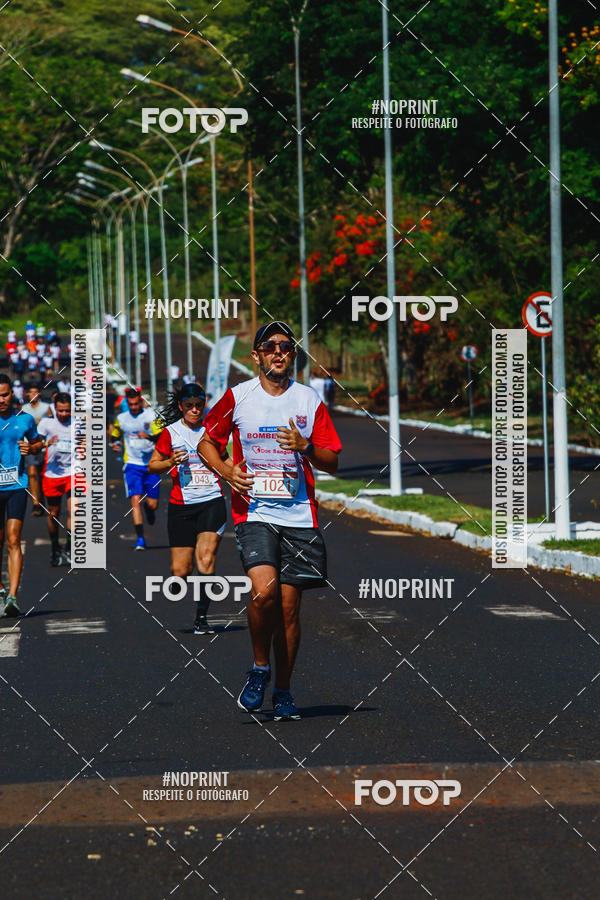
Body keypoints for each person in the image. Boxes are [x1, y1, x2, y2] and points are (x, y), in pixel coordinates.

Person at [199, 321, 342, 721]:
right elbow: (206, 440)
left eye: (286, 346)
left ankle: (283, 691)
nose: (279, 352)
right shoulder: (238, 397)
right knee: (265, 594)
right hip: (255, 512)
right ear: (256, 355)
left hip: (300, 514)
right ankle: (260, 668)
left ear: (293, 355)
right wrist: (227, 471)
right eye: (270, 346)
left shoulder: (309, 400)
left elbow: (333, 460)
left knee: (291, 609)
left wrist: (306, 446)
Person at [149, 383, 228, 634]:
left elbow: (226, 459)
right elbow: (153, 465)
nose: (195, 410)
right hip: (181, 507)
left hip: (212, 501)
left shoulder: (213, 431)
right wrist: (170, 461)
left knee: (206, 558)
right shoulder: (170, 433)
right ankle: (179, 579)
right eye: (189, 406)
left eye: (199, 405)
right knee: (181, 570)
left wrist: (233, 469)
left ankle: (201, 617)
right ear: (181, 407)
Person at [0, 375, 42, 616]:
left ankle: (13, 597)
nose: (1, 399)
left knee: (13, 539)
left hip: (16, 485)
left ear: (12, 394)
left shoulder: (24, 420)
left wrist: (32, 447)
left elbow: (37, 443)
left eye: (5, 394)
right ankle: (1, 590)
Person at [110, 388, 163, 550]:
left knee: (153, 504)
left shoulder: (150, 416)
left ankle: (150, 509)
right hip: (132, 464)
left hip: (151, 464)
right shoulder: (122, 418)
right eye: (130, 404)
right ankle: (140, 539)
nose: (133, 407)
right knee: (135, 500)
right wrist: (115, 443)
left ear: (140, 401)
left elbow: (161, 437)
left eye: (136, 404)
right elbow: (115, 434)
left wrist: (147, 436)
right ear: (127, 403)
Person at [38, 392, 72, 566]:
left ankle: (70, 545)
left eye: (67, 411)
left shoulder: (78, 424)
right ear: (55, 409)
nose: (64, 414)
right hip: (52, 475)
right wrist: (46, 443)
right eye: (61, 411)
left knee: (75, 510)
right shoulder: (47, 424)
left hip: (73, 472)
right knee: (54, 514)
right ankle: (54, 547)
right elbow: (34, 444)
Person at [21, 384, 51, 516]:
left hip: (44, 444)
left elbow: (52, 422)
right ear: (28, 394)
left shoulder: (45, 407)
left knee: (41, 475)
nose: (33, 395)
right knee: (32, 472)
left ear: (39, 394)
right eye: (31, 393)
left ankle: (42, 496)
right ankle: (36, 503)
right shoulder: (24, 408)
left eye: (36, 392)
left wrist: (42, 421)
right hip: (30, 443)